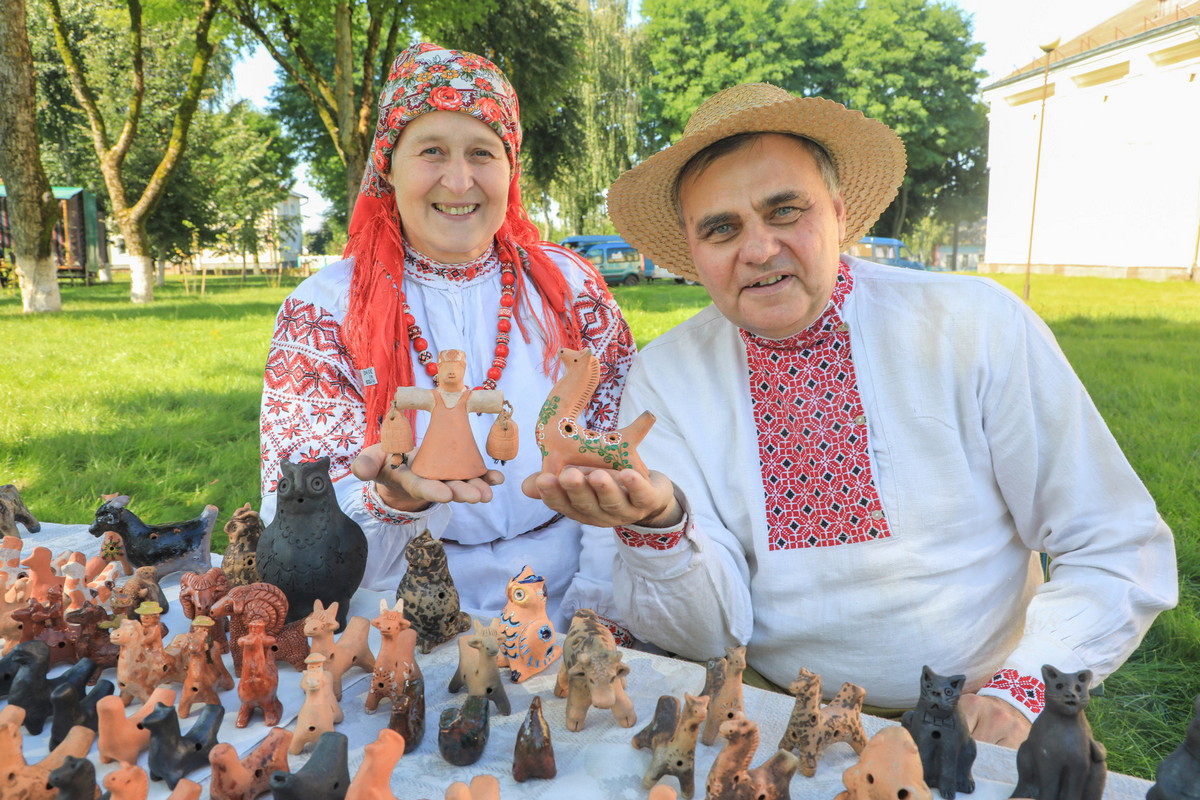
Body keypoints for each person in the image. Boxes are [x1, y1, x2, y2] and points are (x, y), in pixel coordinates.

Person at [523, 83, 1177, 745]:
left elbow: (1115, 542)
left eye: (785, 210)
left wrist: (1028, 686)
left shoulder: (975, 325)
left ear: (839, 213)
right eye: (722, 228)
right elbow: (704, 635)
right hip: (778, 717)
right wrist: (658, 525)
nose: (758, 248)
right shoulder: (665, 378)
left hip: (985, 717)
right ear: (694, 253)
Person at [259, 43, 636, 633]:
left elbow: (620, 454)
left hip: (571, 585)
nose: (459, 181)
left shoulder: (571, 289)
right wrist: (395, 505)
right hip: (394, 597)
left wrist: (594, 602)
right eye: (431, 151)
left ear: (510, 169)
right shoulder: (323, 310)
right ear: (388, 164)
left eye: (482, 153)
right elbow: (299, 523)